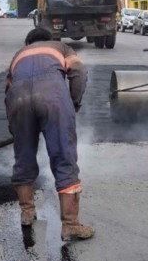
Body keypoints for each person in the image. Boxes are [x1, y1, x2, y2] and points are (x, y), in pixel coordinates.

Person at [5, 27, 94, 241]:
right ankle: (70, 224)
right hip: (53, 99)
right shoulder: (61, 47)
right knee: (64, 158)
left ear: (29, 42)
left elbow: (7, 91)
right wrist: (73, 103)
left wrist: (15, 125)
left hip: (18, 102)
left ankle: (27, 213)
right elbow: (79, 72)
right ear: (49, 39)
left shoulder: (19, 55)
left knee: (23, 158)